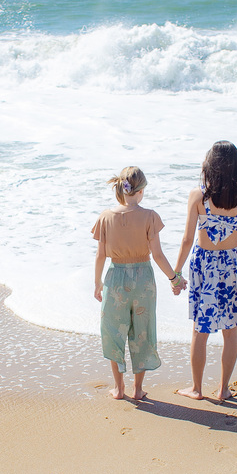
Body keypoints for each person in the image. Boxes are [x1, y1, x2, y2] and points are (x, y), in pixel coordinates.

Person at [172, 141, 237, 402]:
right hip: (236, 266)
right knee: (231, 331)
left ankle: (197, 389)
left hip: (205, 266)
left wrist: (175, 274)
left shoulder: (199, 196)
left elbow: (187, 240)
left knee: (200, 331)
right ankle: (223, 389)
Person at [92, 166, 186, 400]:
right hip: (143, 279)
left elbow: (100, 256)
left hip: (115, 279)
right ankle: (137, 389)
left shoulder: (105, 217)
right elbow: (158, 255)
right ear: (141, 191)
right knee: (142, 332)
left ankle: (118, 388)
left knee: (113, 331)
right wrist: (175, 278)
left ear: (121, 189)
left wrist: (97, 284)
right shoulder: (149, 216)